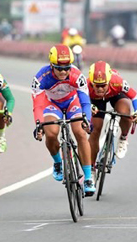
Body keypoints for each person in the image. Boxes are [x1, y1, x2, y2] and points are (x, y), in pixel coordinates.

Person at [32, 44, 95, 196]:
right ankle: (58, 162)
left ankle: (88, 178)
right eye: (59, 68)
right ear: (51, 65)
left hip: (73, 102)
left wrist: (87, 119)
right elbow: (38, 105)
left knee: (80, 132)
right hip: (52, 104)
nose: (63, 71)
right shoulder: (41, 77)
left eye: (67, 67)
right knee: (51, 132)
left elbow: (85, 102)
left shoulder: (76, 75)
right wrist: (39, 124)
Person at [87, 61, 137, 165]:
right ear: (91, 82)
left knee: (124, 113)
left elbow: (135, 96)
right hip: (96, 101)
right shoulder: (85, 85)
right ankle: (92, 169)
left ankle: (123, 138)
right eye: (97, 85)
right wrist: (88, 107)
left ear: (108, 81)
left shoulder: (118, 81)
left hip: (115, 94)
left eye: (103, 85)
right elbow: (79, 100)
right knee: (95, 131)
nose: (100, 89)